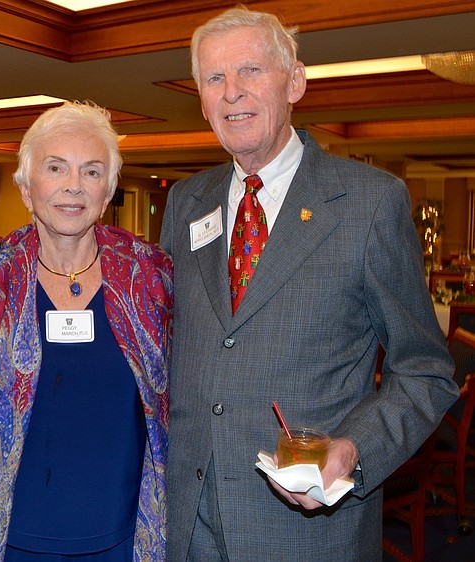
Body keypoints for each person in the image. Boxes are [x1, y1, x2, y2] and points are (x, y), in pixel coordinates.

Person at [160, 6, 458, 561]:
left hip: (306, 535)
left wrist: (354, 448)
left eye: (251, 70)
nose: (231, 93)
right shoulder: (185, 203)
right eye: (214, 78)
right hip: (188, 526)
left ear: (295, 80)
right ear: (199, 98)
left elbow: (425, 371)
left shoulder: (369, 202)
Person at [0, 101, 172, 561]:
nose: (73, 186)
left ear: (108, 191)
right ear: (26, 186)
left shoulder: (150, 275)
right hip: (8, 535)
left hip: (123, 534)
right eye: (55, 167)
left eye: (91, 171)